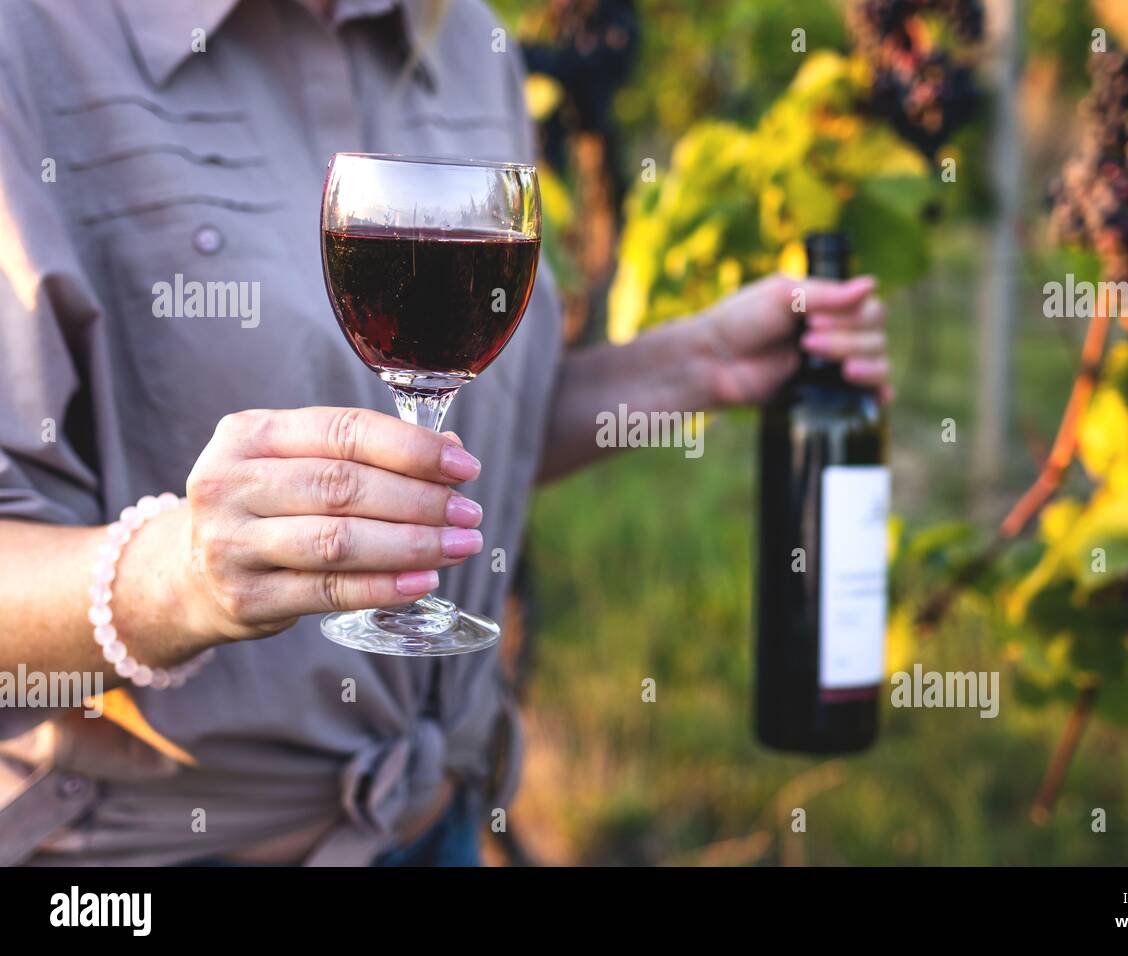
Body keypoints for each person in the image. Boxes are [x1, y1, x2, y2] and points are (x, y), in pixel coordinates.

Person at [0, 0, 890, 866]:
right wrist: (183, 575)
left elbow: (470, 439)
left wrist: (700, 364)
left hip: (439, 827)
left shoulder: (467, 37)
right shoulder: (30, 41)